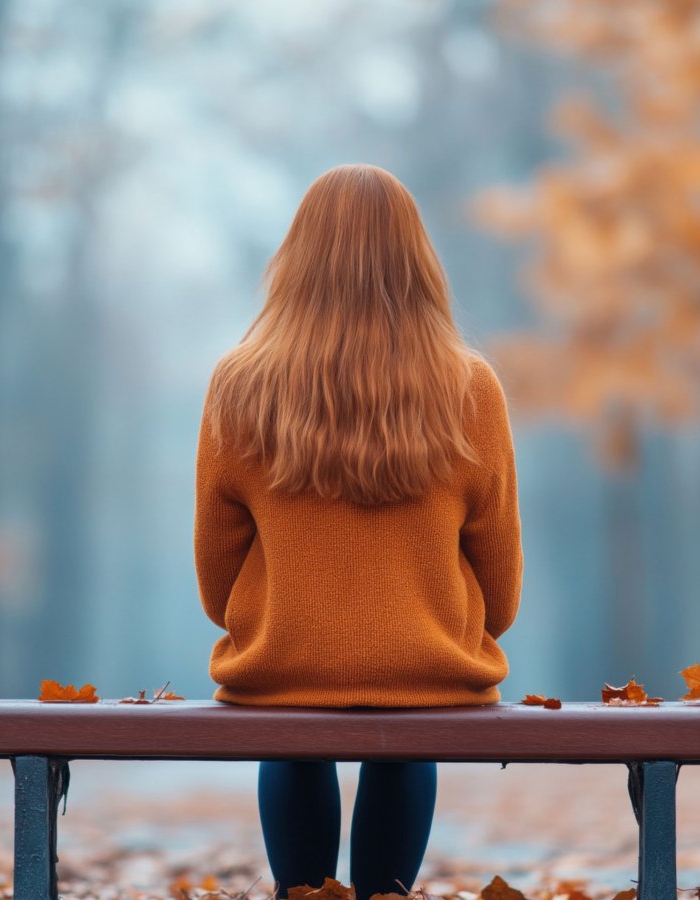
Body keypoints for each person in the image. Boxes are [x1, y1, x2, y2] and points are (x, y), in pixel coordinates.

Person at [193, 163, 523, 900]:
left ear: (296, 260)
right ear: (418, 263)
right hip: (428, 669)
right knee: (407, 743)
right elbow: (500, 595)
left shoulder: (237, 387)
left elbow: (217, 586)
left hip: (283, 666)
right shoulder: (473, 390)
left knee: (290, 738)